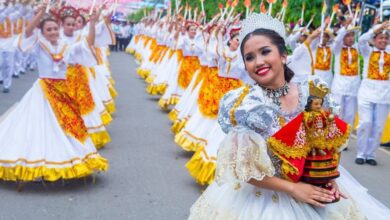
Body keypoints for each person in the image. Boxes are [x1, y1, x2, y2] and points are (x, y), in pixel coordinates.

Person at [188, 13, 390, 220]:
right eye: (249, 57)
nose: (258, 62)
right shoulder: (243, 106)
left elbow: (321, 145)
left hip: (312, 191)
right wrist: (293, 189)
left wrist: (327, 179)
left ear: (284, 55)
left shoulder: (312, 91)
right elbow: (244, 168)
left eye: (265, 52)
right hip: (261, 201)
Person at [0, 3, 108, 182]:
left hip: (63, 91)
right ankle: (39, 162)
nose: (52, 32)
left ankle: (69, 158)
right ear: (42, 31)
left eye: (55, 29)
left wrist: (92, 24)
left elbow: (88, 45)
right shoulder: (39, 44)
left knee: (68, 127)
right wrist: (40, 15)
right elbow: (27, 33)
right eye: (48, 29)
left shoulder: (67, 47)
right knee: (39, 127)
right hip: (43, 91)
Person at [355, 21, 390, 166]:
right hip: (367, 93)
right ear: (374, 40)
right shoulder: (367, 51)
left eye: (385, 38)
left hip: (384, 95)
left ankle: (371, 154)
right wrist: (379, 27)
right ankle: (361, 153)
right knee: (366, 123)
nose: (382, 40)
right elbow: (362, 39)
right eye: (379, 37)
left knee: (378, 127)